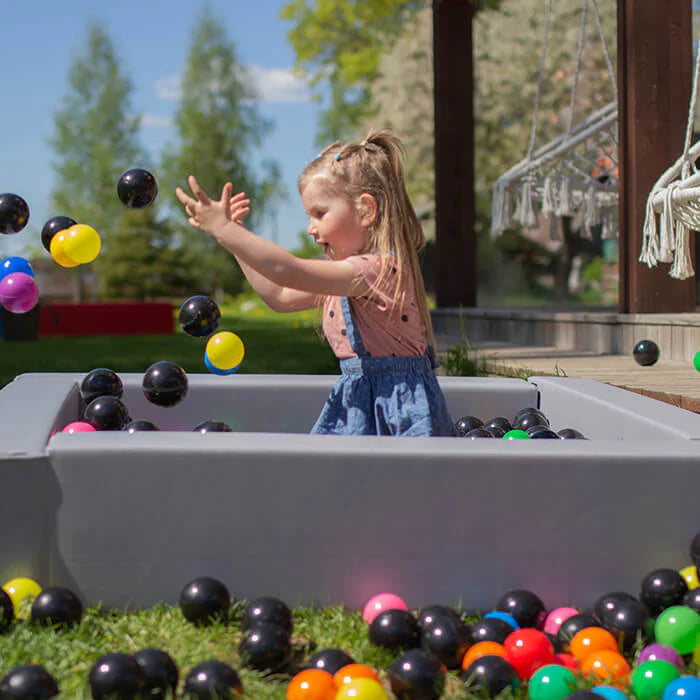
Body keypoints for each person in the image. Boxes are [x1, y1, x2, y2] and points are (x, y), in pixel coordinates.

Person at [175, 129, 457, 437]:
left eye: (319, 213)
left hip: (398, 411)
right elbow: (279, 294)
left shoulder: (377, 270)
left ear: (365, 210)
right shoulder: (344, 276)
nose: (310, 228)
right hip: (357, 404)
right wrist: (234, 242)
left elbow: (288, 269)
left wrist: (225, 230)